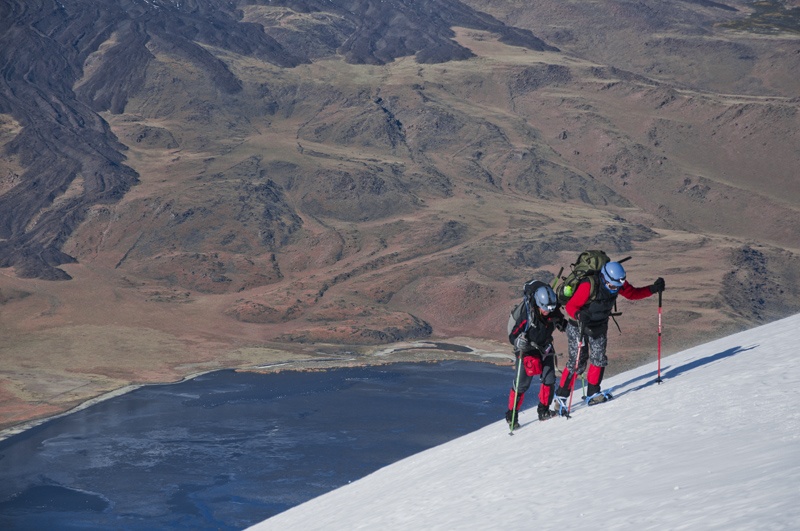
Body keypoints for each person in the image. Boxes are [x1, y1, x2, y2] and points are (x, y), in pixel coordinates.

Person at [555, 261, 665, 410]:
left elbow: (632, 294)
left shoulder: (617, 283)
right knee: (577, 362)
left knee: (599, 358)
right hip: (578, 324)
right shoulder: (589, 285)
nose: (615, 290)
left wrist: (652, 289)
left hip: (599, 325)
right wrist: (579, 314)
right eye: (612, 287)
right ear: (604, 278)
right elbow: (571, 306)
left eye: (617, 287)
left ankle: (593, 394)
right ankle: (560, 397)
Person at [505, 282, 567, 428]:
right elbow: (513, 335)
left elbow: (560, 321)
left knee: (549, 379)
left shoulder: (553, 309)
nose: (548, 311)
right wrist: (518, 341)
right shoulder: (527, 316)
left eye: (550, 309)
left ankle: (543, 411)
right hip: (527, 350)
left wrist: (567, 327)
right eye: (545, 309)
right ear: (538, 304)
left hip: (545, 347)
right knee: (521, 385)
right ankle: (512, 415)